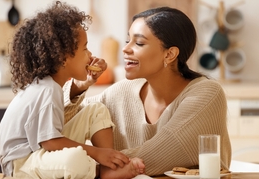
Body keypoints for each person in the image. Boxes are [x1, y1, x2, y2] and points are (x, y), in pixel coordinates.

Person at [63, 6, 232, 178]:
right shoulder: (122, 92)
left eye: (139, 43)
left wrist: (83, 165)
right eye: (128, 40)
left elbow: (157, 155)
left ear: (170, 54)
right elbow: (52, 127)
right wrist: (78, 86)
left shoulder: (206, 94)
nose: (125, 49)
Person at [0, 1, 145, 179]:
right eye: (85, 49)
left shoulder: (50, 86)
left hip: (39, 150)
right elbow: (50, 142)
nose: (90, 55)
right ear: (63, 58)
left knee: (95, 111)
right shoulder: (48, 89)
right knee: (75, 159)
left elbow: (51, 139)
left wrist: (87, 81)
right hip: (21, 164)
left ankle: (108, 167)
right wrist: (97, 153)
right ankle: (101, 171)